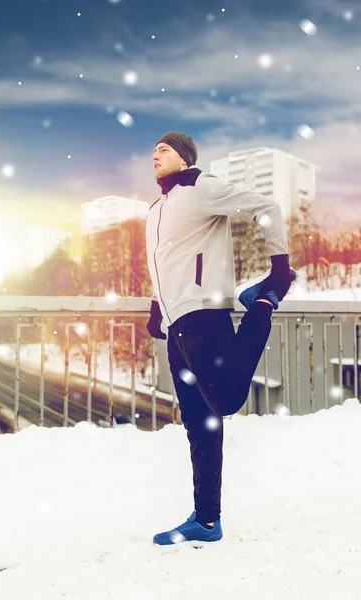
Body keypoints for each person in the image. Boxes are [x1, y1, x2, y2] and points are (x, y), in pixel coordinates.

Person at [145, 131, 295, 547]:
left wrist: (279, 267)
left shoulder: (200, 187)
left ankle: (262, 300)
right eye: (154, 149)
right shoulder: (156, 208)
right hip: (177, 326)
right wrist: (158, 307)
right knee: (200, 424)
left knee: (226, 401)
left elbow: (267, 208)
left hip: (204, 314)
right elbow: (164, 263)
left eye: (165, 149)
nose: (155, 154)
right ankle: (207, 521)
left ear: (185, 157)